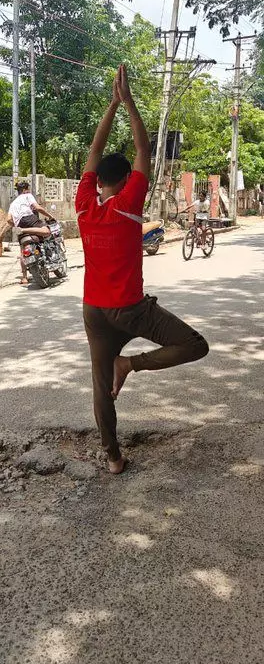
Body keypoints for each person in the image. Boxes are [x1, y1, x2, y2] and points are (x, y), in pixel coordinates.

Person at [75, 65, 209, 475]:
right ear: (125, 181)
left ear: (99, 182)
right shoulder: (129, 204)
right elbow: (144, 151)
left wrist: (111, 107)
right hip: (131, 309)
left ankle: (113, 457)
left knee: (100, 389)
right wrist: (128, 102)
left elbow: (94, 155)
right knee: (194, 345)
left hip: (95, 311)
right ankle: (130, 365)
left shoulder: (84, 206)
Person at [7, 181, 53, 285]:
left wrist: (16, 226)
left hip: (19, 224)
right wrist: (49, 215)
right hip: (29, 219)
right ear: (24, 190)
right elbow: (37, 208)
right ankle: (25, 230)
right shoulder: (27, 195)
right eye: (28, 189)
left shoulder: (13, 203)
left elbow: (8, 219)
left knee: (23, 251)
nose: (29, 191)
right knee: (46, 231)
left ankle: (24, 278)